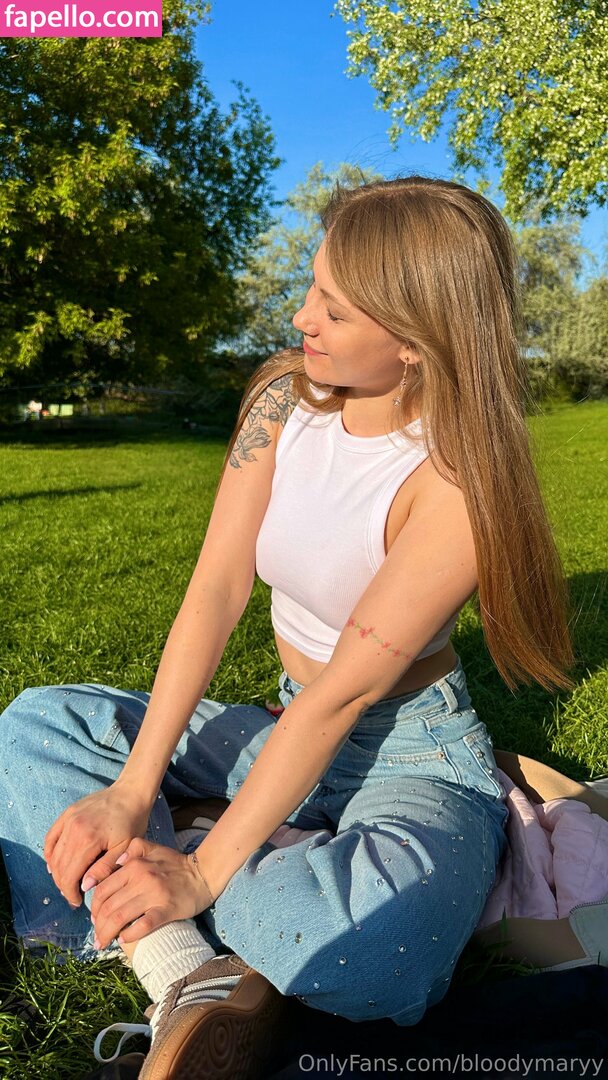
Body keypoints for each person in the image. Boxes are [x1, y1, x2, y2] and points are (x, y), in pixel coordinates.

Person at [0, 176, 579, 1079]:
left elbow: (342, 698)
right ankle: (183, 963)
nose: (303, 317)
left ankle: (192, 872)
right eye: (313, 285)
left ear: (417, 340)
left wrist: (200, 874)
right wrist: (133, 786)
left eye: (335, 310)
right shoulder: (282, 400)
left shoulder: (457, 485)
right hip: (283, 723)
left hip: (406, 752)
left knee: (375, 951)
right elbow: (216, 589)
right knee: (35, 725)